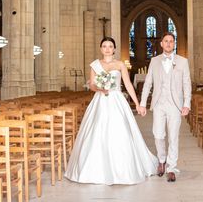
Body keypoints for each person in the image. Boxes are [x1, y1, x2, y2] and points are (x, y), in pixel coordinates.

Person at [64, 37, 157, 185]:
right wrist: (100, 88)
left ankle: (123, 169)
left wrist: (138, 104)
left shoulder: (120, 64)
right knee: (96, 131)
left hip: (116, 100)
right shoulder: (95, 65)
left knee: (120, 131)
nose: (107, 49)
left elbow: (127, 85)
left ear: (114, 49)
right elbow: (92, 85)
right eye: (104, 46)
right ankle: (94, 170)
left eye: (110, 46)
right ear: (101, 49)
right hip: (100, 99)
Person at [139, 32, 191, 182]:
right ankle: (161, 160)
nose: (168, 43)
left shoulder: (182, 61)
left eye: (171, 41)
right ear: (161, 44)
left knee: (173, 137)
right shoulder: (154, 61)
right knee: (158, 134)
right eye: (166, 41)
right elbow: (148, 82)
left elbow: (186, 84)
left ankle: (172, 167)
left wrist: (187, 104)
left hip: (175, 105)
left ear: (174, 44)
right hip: (159, 103)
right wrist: (143, 103)